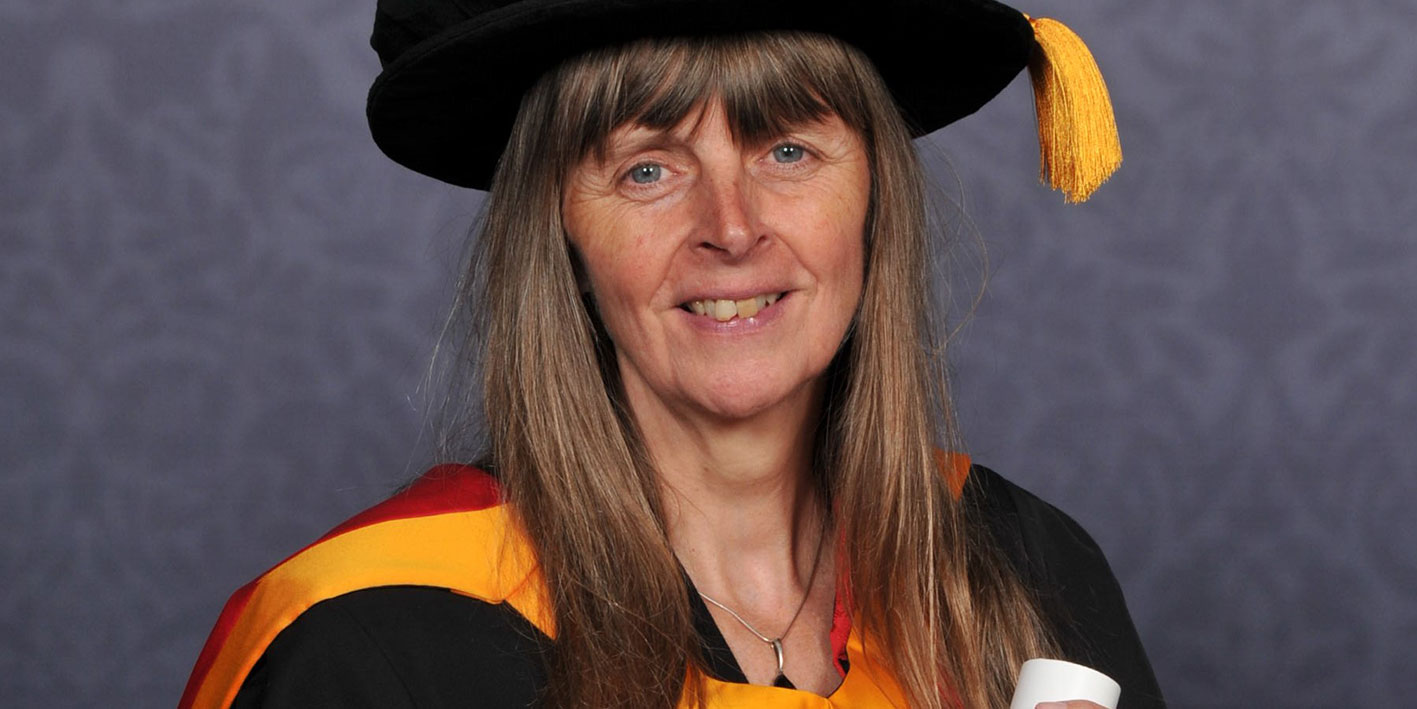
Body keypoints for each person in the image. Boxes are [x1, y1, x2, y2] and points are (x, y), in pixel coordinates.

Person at [181, 0, 1163, 707]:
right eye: (647, 167)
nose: (731, 229)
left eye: (788, 151)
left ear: (873, 199)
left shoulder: (1018, 570)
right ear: (558, 228)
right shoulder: (380, 641)